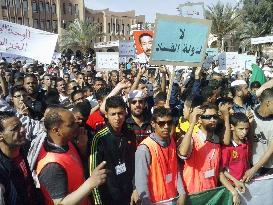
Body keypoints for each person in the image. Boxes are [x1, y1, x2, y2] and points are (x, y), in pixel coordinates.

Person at [35, 108, 107, 205]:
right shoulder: (51, 166)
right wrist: (91, 183)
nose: (77, 125)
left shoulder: (67, 142)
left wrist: (82, 147)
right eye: (71, 124)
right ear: (56, 131)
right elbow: (60, 203)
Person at [89, 96, 136, 205]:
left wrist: (135, 188)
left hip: (128, 194)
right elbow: (94, 176)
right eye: (113, 114)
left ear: (125, 113)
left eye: (120, 113)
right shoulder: (99, 138)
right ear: (106, 115)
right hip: (109, 197)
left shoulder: (130, 133)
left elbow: (133, 164)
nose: (117, 118)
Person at [135, 107, 186, 205]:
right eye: (161, 123)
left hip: (172, 199)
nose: (166, 126)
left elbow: (176, 169)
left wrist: (182, 192)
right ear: (153, 124)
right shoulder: (144, 149)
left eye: (169, 122)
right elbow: (141, 183)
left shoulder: (171, 141)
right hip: (154, 202)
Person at [0, 111, 43, 205]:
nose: (23, 130)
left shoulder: (22, 149)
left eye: (21, 125)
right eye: (15, 128)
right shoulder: (2, 171)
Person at [178, 103, 221, 194]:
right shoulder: (193, 138)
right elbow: (182, 153)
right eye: (208, 117)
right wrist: (193, 123)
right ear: (200, 120)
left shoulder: (216, 140)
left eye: (215, 117)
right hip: (193, 195)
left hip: (211, 193)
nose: (212, 120)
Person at [242, 88, 273, 182]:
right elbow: (245, 139)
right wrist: (249, 125)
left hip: (269, 168)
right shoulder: (249, 114)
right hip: (249, 164)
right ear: (268, 103)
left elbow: (270, 150)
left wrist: (254, 169)